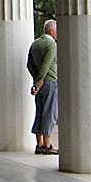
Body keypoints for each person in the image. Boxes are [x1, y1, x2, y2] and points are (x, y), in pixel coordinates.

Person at [27, 20, 59, 155]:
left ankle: (39, 144)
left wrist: (36, 81)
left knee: (39, 112)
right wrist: (39, 81)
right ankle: (47, 145)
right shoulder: (51, 44)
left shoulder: (35, 43)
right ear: (51, 31)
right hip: (49, 82)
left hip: (40, 83)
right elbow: (46, 65)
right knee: (49, 113)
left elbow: (29, 64)